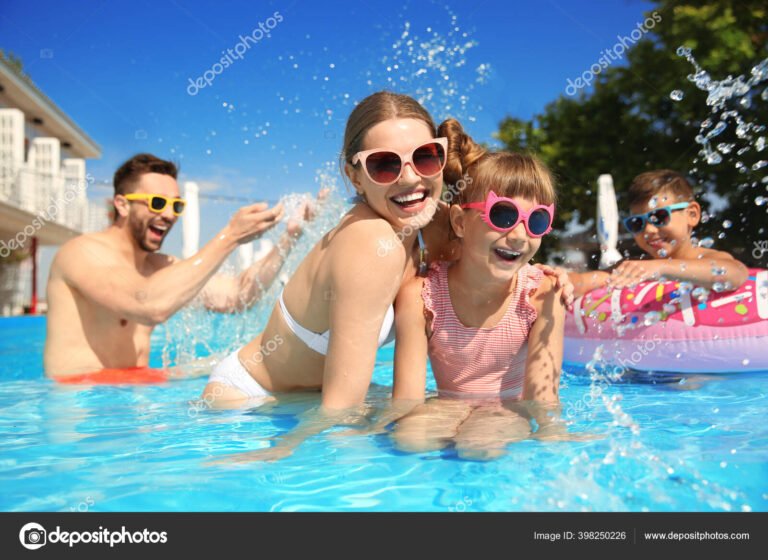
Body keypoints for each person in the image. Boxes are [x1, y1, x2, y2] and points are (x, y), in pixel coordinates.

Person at [204, 92, 574, 464]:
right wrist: (284, 459)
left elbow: (503, 259)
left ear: (442, 159)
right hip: (251, 396)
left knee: (428, 426)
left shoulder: (441, 222)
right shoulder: (371, 244)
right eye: (384, 165)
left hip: (310, 392)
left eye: (426, 157)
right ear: (355, 177)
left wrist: (556, 279)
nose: (410, 177)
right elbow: (341, 411)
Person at [383, 120, 573, 460]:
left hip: (508, 409)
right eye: (502, 215)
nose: (519, 236)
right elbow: (407, 399)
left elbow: (542, 397)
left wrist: (553, 435)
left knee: (480, 445)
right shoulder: (421, 295)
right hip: (447, 403)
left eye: (538, 221)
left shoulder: (542, 292)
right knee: (410, 439)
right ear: (459, 222)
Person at [44, 153, 312, 381]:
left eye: (176, 205)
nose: (170, 214)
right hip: (79, 410)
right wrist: (230, 236)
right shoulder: (81, 253)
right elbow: (149, 305)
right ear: (122, 204)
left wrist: (289, 238)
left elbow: (237, 295)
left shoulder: (160, 267)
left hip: (129, 401)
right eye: (158, 203)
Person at [570, 170, 749, 297]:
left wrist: (661, 267)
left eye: (659, 216)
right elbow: (585, 281)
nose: (649, 230)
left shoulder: (706, 257)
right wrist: (562, 279)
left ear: (692, 214)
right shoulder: (637, 266)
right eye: (637, 222)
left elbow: (736, 273)